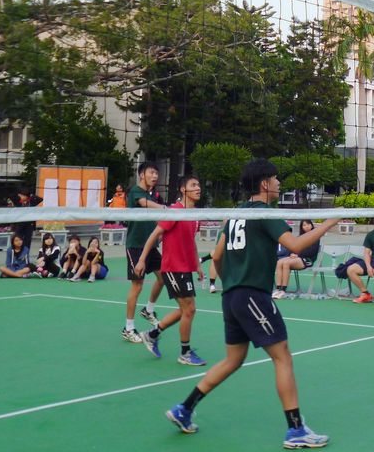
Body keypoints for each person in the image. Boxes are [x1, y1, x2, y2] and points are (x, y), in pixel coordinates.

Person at [166, 158, 340, 448]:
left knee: (233, 360)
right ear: (264, 184)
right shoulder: (265, 213)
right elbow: (296, 246)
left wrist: (231, 282)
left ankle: (184, 409)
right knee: (282, 356)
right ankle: (296, 430)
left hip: (232, 296)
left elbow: (217, 256)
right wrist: (329, 223)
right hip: (252, 295)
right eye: (276, 178)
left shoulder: (235, 214)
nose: (279, 183)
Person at [138, 174, 206, 365]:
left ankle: (152, 334)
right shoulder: (175, 211)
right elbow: (154, 235)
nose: (198, 188)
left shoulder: (195, 216)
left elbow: (191, 242)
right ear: (183, 189)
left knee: (186, 309)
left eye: (199, 185)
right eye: (193, 185)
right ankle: (185, 353)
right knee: (189, 309)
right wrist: (142, 260)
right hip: (172, 268)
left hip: (185, 268)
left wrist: (197, 265)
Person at [123, 162, 166, 343]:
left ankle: (148, 310)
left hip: (150, 246)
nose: (155, 176)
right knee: (137, 285)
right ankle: (128, 328)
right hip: (135, 246)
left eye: (157, 173)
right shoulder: (136, 192)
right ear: (142, 174)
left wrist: (160, 233)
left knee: (163, 276)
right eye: (152, 172)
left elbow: (153, 217)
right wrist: (165, 208)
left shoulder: (151, 195)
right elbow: (144, 204)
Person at [274, 219, 320, 299]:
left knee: (286, 263)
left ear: (311, 225)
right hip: (297, 258)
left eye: (308, 224)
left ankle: (283, 290)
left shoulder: (315, 237)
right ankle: (278, 288)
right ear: (301, 227)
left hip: (307, 260)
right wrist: (292, 254)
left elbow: (312, 251)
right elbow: (292, 248)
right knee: (280, 262)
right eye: (304, 225)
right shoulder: (299, 237)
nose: (306, 226)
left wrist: (298, 255)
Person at [9, 188, 42, 252]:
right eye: (20, 195)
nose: (21, 196)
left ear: (27, 196)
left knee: (27, 240)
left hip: (29, 224)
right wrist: (18, 194)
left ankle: (26, 255)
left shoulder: (31, 202)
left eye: (23, 195)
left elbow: (40, 199)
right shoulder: (17, 201)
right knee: (18, 239)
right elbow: (11, 196)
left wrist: (31, 195)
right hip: (19, 224)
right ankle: (17, 254)